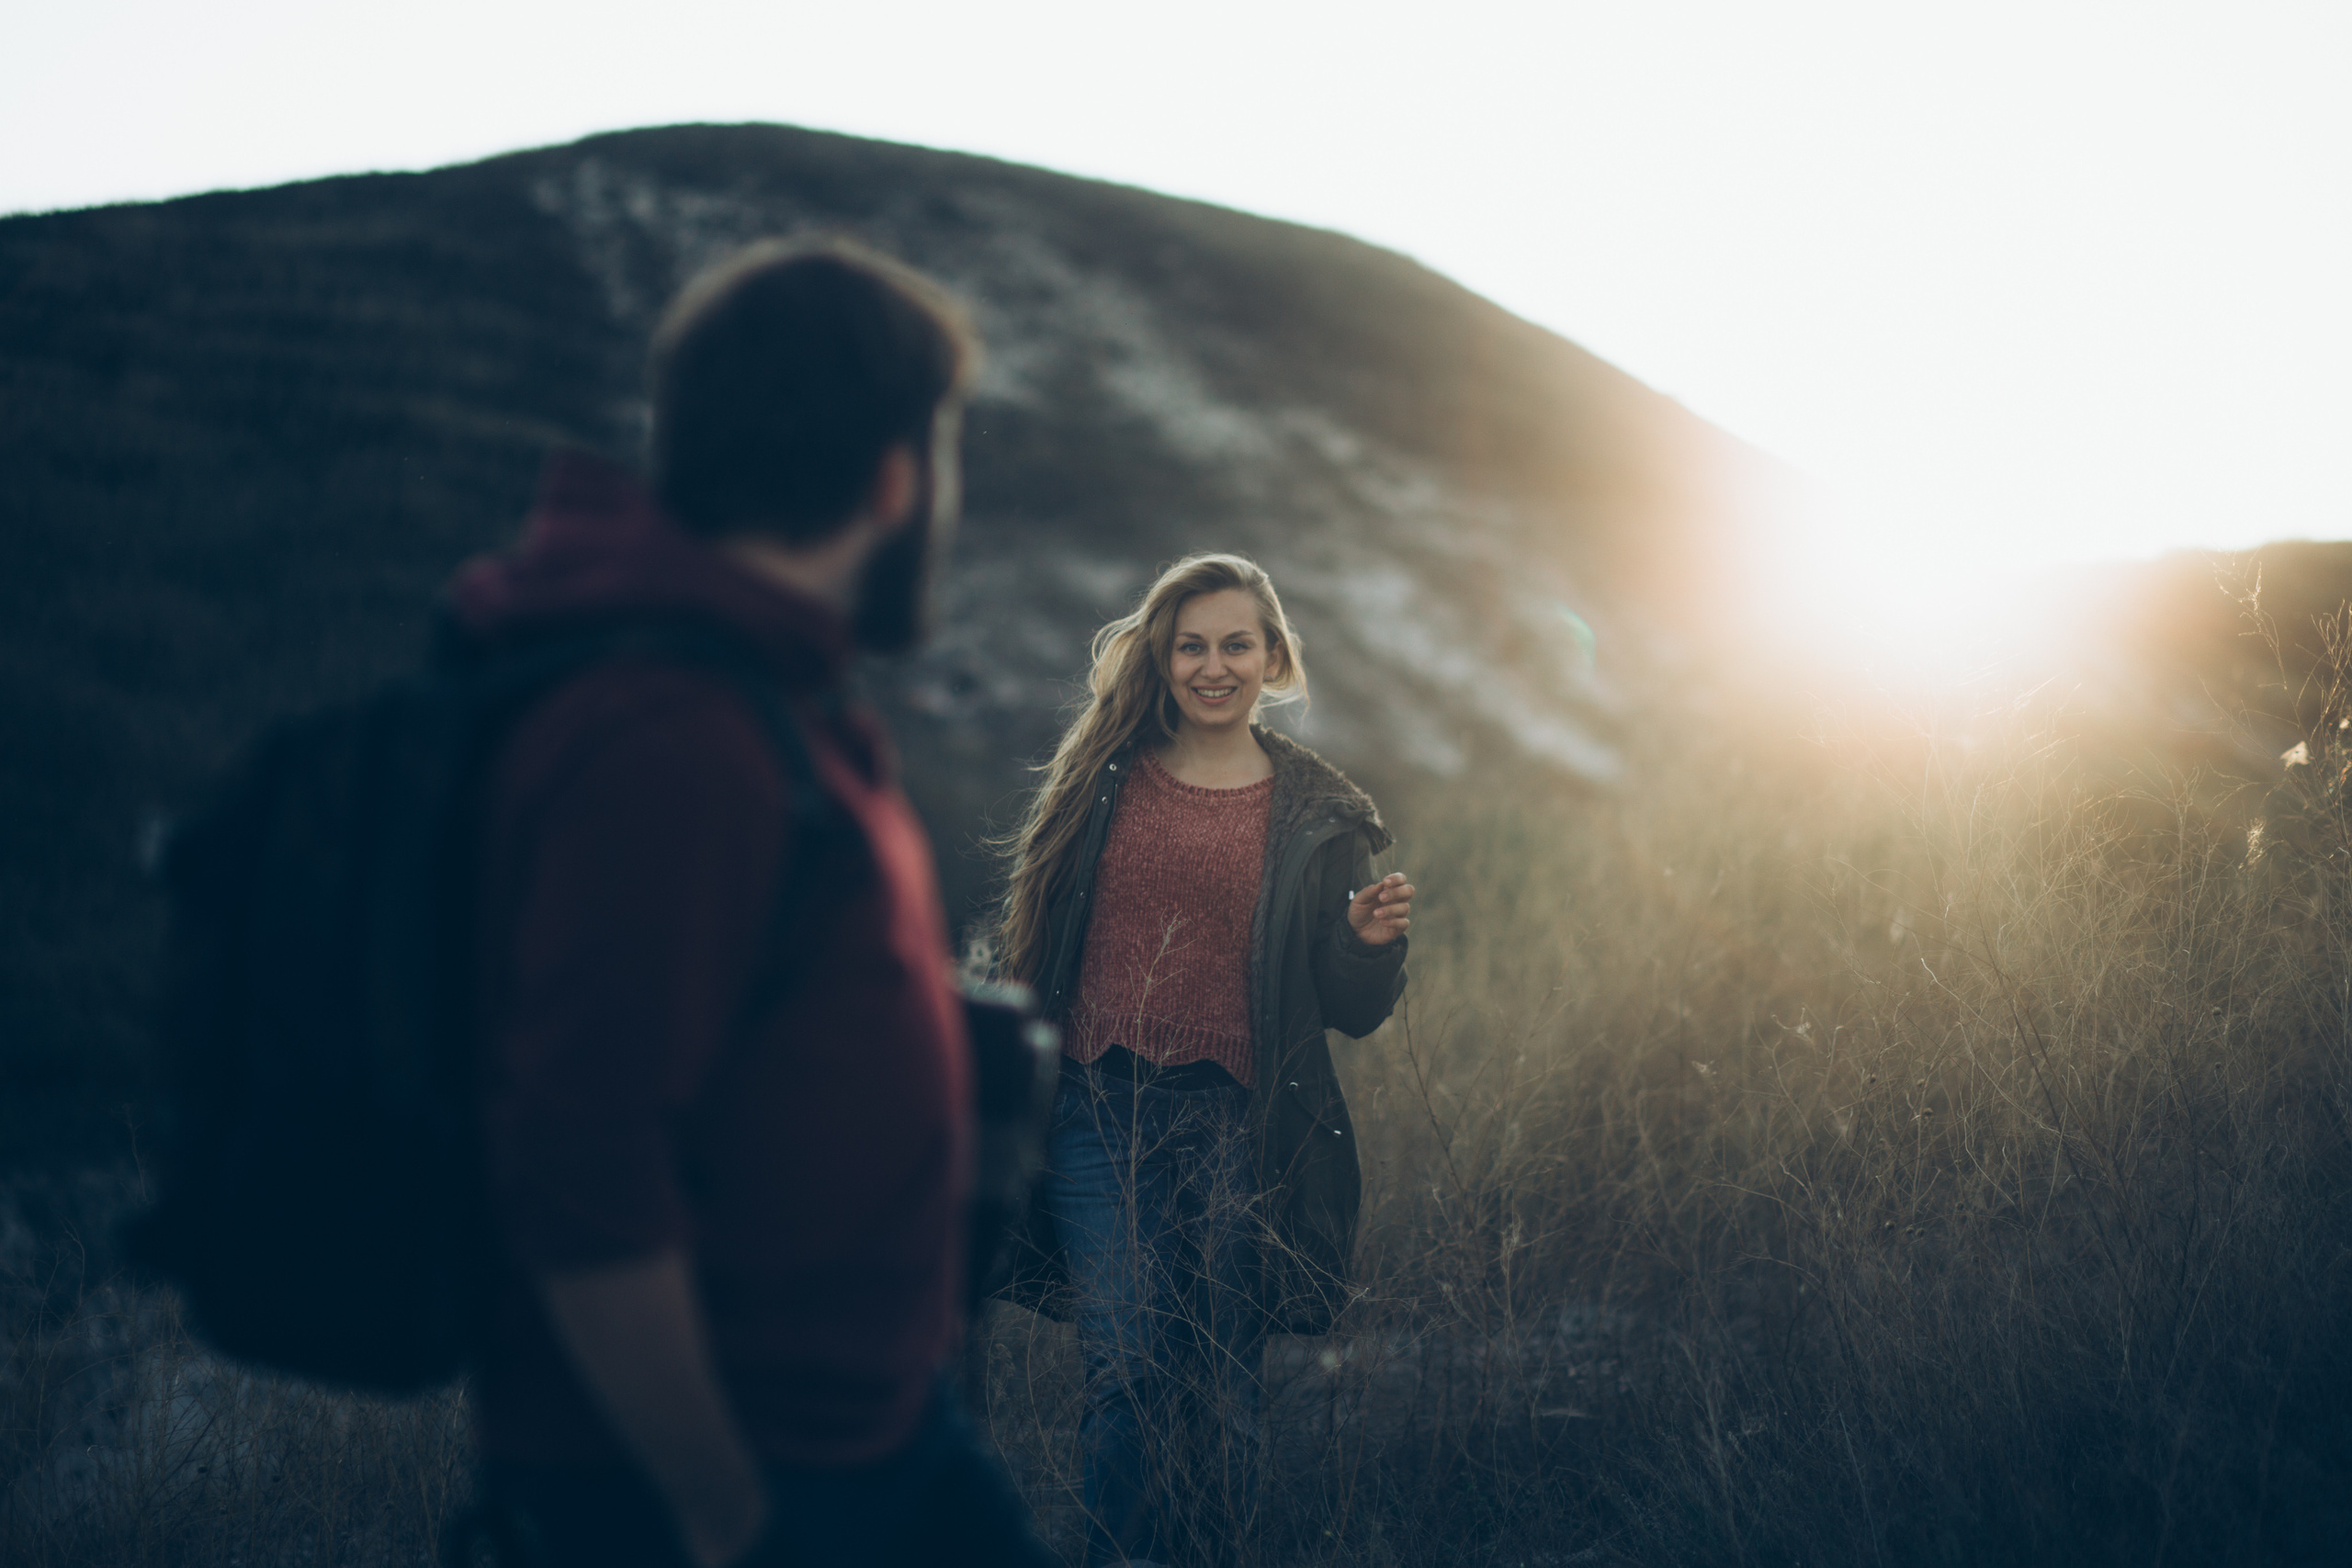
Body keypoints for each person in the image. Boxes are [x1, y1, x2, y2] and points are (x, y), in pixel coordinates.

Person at [451, 238, 1052, 1567]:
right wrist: (722, 1506)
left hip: (873, 1434)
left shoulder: (756, 695)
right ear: (897, 478)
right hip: (719, 1485)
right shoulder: (669, 736)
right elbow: (582, 1165)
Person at [995, 554, 1413, 1566]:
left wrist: (1364, 946)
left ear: (1273, 658)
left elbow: (1352, 1013)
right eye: (1191, 645)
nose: (1212, 665)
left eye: (1236, 645)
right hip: (1098, 1108)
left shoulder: (1317, 818)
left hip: (1239, 1123)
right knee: (1128, 1370)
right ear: (1162, 656)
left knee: (1223, 1383)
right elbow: (1035, 938)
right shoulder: (1103, 776)